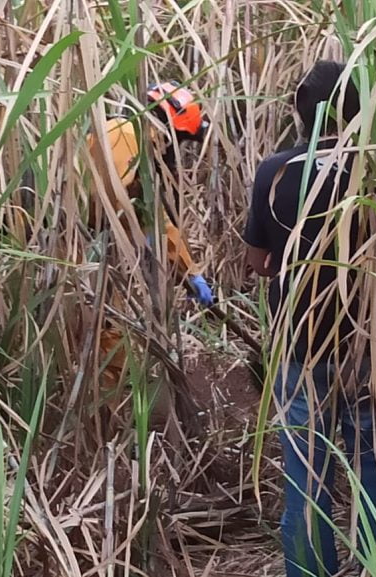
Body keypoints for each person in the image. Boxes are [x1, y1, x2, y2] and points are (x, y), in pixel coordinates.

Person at [243, 61, 376, 576]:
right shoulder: (373, 172)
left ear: (301, 111)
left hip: (300, 347)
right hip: (367, 346)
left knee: (307, 476)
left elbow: (258, 263)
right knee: (372, 467)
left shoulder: (274, 172)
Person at [85, 81, 214, 410]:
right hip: (72, 243)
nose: (179, 152)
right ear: (169, 129)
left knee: (107, 330)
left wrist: (187, 271)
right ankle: (113, 421)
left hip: (90, 241)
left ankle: (117, 413)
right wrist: (183, 267)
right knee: (104, 330)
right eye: (182, 141)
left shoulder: (133, 141)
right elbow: (139, 214)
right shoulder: (125, 138)